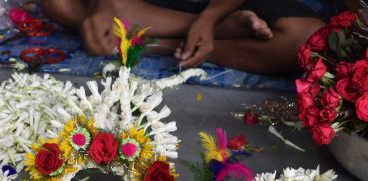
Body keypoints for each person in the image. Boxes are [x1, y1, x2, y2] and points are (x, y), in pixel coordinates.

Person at [42, 0, 338, 74]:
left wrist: (210, 16)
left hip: (231, 4)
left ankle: (156, 42)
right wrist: (103, 5)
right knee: (58, 3)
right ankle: (222, 31)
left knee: (309, 41)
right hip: (159, 6)